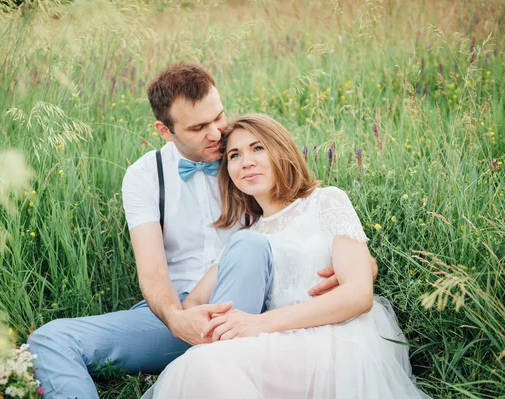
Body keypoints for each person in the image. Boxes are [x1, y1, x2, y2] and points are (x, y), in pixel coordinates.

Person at [27, 63, 373, 398]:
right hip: (179, 311)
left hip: (248, 306)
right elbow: (151, 272)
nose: (216, 133)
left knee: (248, 245)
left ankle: (215, 367)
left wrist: (361, 265)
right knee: (50, 340)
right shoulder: (145, 175)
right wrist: (177, 319)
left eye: (218, 116)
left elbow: (298, 216)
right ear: (165, 130)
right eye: (197, 128)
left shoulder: (243, 156)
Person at [142, 114, 430, 399]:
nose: (247, 162)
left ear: (281, 150)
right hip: (280, 344)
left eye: (258, 148)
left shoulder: (326, 201)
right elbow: (193, 300)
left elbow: (358, 294)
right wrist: (200, 321)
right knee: (200, 365)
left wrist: (258, 324)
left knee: (205, 365)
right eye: (234, 155)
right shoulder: (250, 236)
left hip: (337, 339)